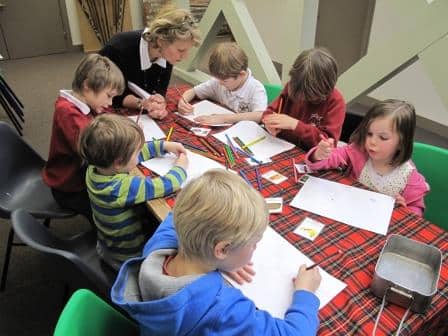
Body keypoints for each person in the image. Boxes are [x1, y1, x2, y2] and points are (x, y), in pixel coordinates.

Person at [111, 169, 321, 335]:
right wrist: (305, 293)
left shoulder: (156, 249)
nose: (255, 248)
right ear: (222, 249)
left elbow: (178, 214)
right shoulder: (221, 310)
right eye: (253, 243)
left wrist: (218, 262)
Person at [78, 114, 188, 269]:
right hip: (127, 257)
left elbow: (128, 158)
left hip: (106, 246)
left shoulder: (95, 168)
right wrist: (181, 167)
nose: (139, 154)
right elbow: (167, 184)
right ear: (118, 163)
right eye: (136, 153)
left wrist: (163, 146)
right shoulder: (120, 188)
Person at [306, 99, 429, 216]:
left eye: (383, 137)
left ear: (402, 143)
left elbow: (416, 210)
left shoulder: (409, 177)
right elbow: (334, 157)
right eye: (369, 134)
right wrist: (320, 154)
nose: (372, 142)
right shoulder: (358, 151)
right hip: (348, 211)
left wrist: (404, 211)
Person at [42, 54, 124, 221]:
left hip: (78, 177)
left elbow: (104, 115)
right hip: (69, 187)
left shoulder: (87, 102)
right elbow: (94, 151)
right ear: (87, 86)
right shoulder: (68, 113)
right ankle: (107, 241)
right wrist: (124, 137)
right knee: (111, 209)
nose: (110, 103)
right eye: (109, 96)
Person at [100, 5, 200, 119]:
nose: (186, 56)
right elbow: (107, 94)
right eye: (181, 50)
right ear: (161, 41)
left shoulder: (166, 54)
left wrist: (159, 100)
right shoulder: (118, 49)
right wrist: (142, 103)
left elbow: (160, 88)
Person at [262, 47, 346, 150]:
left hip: (309, 156)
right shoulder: (292, 86)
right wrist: (269, 123)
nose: (302, 100)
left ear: (324, 89)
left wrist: (296, 125)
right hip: (279, 146)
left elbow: (328, 143)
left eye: (309, 97)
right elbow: (269, 112)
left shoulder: (336, 102)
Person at [177, 42, 267, 124]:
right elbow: (194, 91)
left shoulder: (256, 89)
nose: (220, 84)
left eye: (224, 81)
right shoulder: (219, 81)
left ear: (241, 75)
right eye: (218, 79)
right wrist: (183, 102)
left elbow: (260, 115)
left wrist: (224, 118)